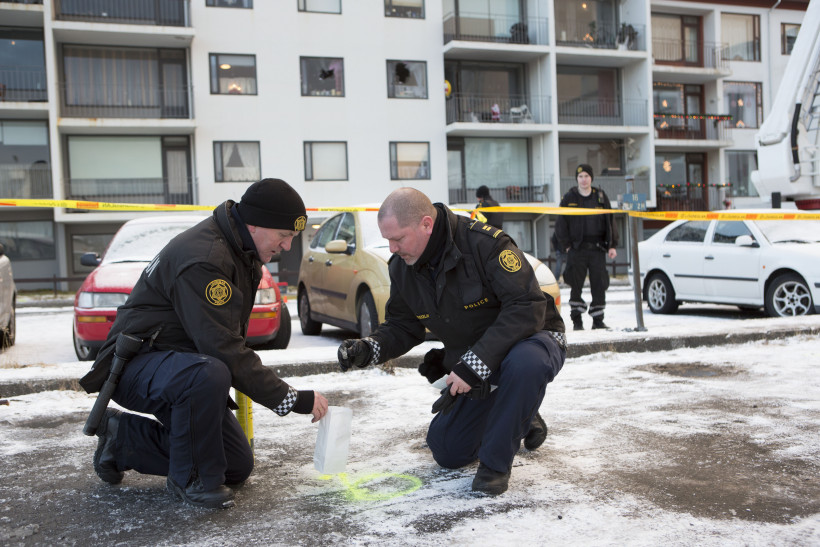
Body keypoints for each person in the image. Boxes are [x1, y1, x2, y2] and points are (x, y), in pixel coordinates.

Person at [79, 178, 330, 509]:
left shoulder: (239, 248)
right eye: (284, 236)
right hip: (136, 365)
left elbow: (225, 340)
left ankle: (123, 440)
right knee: (210, 372)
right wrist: (291, 399)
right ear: (255, 223)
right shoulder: (206, 258)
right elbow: (222, 348)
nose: (286, 246)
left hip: (178, 368)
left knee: (235, 466)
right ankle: (190, 480)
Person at [336, 188, 565, 495]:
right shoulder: (403, 267)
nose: (392, 248)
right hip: (478, 359)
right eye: (387, 239)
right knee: (448, 451)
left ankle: (494, 467)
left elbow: (526, 307)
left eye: (398, 239)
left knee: (525, 365)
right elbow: (404, 326)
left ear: (426, 224)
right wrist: (368, 349)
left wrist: (475, 363)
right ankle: (519, 409)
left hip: (534, 338)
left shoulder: (485, 245)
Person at [555, 164, 619, 331]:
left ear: (591, 178)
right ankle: (577, 321)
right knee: (575, 285)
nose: (584, 179)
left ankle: (598, 320)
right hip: (577, 249)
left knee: (599, 285)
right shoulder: (570, 197)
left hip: (597, 249)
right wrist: (567, 245)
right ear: (577, 179)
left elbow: (610, 221)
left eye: (586, 176)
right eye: (580, 176)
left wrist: (612, 245)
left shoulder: (600, 196)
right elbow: (560, 224)